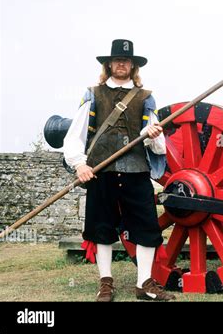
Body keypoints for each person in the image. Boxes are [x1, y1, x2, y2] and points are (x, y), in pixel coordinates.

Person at [63, 39, 175, 302]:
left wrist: (150, 135)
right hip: (101, 173)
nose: (121, 64)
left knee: (147, 227)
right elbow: (75, 134)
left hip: (136, 172)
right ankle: (106, 283)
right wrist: (79, 164)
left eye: (126, 60)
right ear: (109, 64)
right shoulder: (93, 94)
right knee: (101, 228)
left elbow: (159, 148)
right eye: (117, 60)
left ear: (133, 66)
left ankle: (145, 285)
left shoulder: (147, 97)